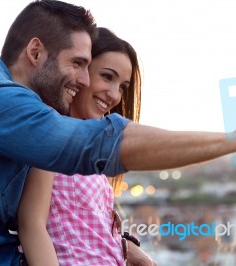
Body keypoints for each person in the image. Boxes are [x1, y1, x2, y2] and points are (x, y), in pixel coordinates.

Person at [0, 0, 236, 265]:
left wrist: (124, 246)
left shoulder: (11, 109)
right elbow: (90, 148)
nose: (83, 78)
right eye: (78, 64)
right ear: (35, 52)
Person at [18, 27, 155, 266]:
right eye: (107, 76)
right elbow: (32, 225)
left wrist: (128, 248)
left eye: (122, 86)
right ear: (80, 72)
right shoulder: (51, 131)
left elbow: (87, 229)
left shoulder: (86, 148)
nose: (114, 95)